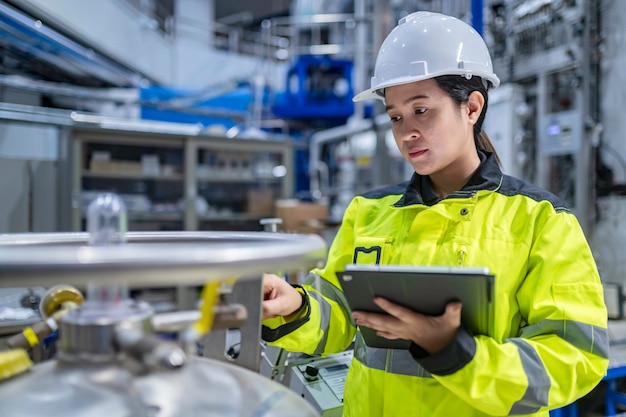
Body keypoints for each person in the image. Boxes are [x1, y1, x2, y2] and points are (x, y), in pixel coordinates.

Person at [261, 11, 609, 417]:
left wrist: (455, 353)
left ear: (472, 107)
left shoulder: (540, 220)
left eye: (421, 110)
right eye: (395, 116)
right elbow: (339, 312)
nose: (406, 132)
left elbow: (575, 355)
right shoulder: (370, 212)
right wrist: (295, 307)